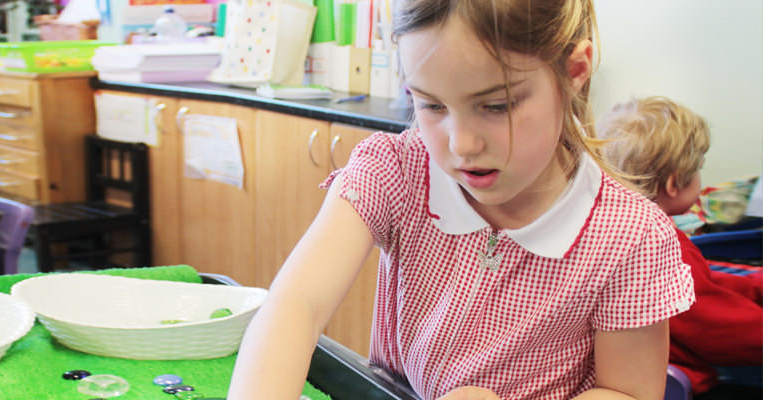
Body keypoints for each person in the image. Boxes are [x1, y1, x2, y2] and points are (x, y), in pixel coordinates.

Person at [227, 1, 695, 399]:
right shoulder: (396, 169)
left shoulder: (631, 237)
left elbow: (628, 392)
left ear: (574, 72)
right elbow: (296, 304)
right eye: (431, 105)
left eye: (496, 105)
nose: (461, 144)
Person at [597, 96, 762, 400]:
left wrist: (753, 285)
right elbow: (722, 330)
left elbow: (702, 285)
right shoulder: (655, 247)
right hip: (673, 383)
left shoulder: (615, 226)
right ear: (673, 184)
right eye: (699, 169)